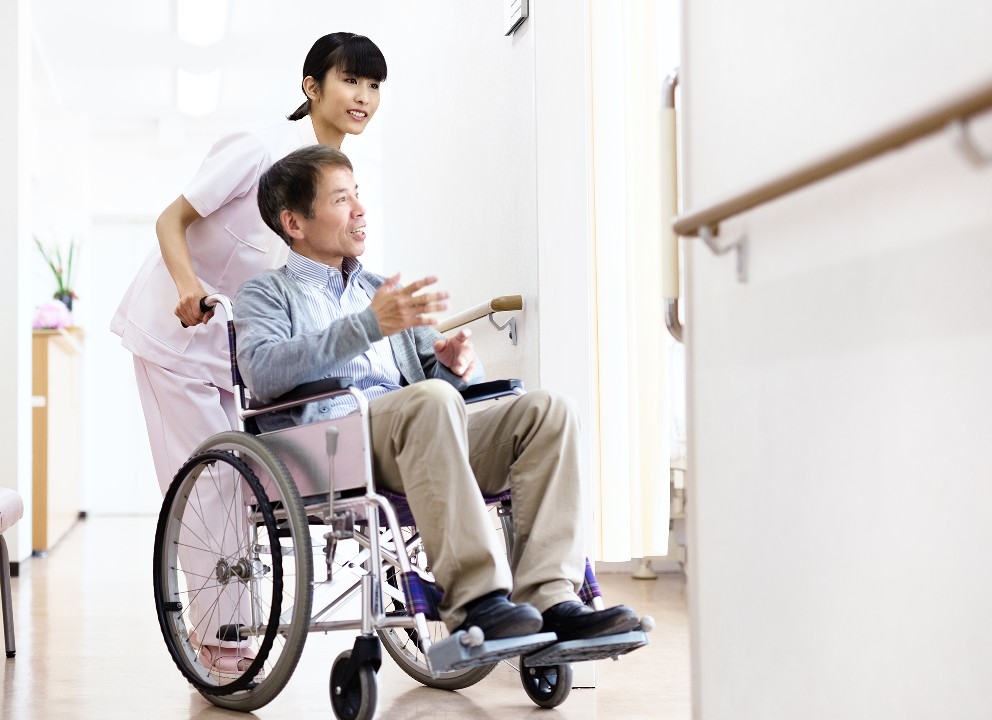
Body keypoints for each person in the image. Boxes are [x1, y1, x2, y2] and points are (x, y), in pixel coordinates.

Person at [234, 145, 642, 641]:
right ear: (294, 223)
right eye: (341, 199)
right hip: (332, 442)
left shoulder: (380, 289)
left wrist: (456, 367)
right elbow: (260, 371)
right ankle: (476, 598)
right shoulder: (266, 293)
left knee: (547, 411)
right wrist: (367, 327)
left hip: (416, 434)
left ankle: (552, 600)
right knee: (429, 401)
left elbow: (442, 385)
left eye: (357, 194)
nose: (360, 209)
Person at [110, 33, 387, 676]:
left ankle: (237, 625)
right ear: (311, 87)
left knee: (243, 489)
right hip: (175, 334)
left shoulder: (332, 182)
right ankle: (225, 638)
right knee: (211, 486)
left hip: (241, 352)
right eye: (351, 81)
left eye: (374, 87)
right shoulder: (259, 149)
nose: (363, 98)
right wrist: (188, 286)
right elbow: (170, 221)